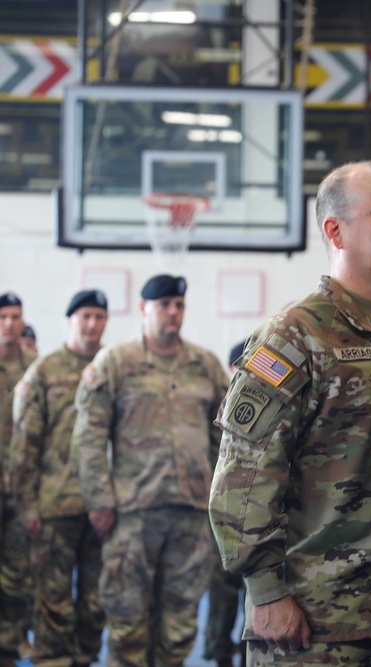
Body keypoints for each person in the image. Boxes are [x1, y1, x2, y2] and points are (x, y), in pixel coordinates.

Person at [209, 161, 371, 666]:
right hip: (319, 623)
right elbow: (244, 475)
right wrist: (267, 589)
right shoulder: (295, 335)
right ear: (334, 231)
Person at [72, 275, 230, 667]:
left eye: (178, 305)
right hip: (131, 515)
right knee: (127, 626)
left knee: (179, 629)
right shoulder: (116, 363)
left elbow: (226, 439)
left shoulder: (205, 365)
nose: (173, 312)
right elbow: (89, 438)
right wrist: (99, 502)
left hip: (191, 516)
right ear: (144, 309)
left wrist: (219, 499)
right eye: (164, 305)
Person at [9, 290, 108, 667]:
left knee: (95, 602)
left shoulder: (113, 365)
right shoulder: (45, 370)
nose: (92, 324)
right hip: (53, 507)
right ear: (71, 320)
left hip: (101, 507)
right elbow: (25, 445)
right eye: (85, 316)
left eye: (99, 316)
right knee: (52, 601)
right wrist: (27, 505)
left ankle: (83, 659)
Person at [202, 342, 251, 667]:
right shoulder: (218, 412)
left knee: (254, 592)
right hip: (223, 512)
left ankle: (249, 655)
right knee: (222, 588)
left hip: (259, 512)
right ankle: (219, 651)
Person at [0, 291, 35, 666]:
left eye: (15, 316)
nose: (10, 323)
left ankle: (7, 649)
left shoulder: (35, 369)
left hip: (19, 491)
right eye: (3, 316)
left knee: (16, 577)